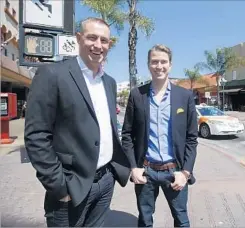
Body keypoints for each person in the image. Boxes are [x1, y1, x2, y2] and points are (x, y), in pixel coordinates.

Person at [24, 17, 130, 227]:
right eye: (92, 38)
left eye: (104, 40)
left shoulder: (109, 82)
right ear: (79, 38)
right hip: (71, 187)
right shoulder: (52, 74)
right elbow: (36, 136)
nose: (98, 45)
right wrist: (60, 187)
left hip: (106, 181)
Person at [122, 44, 198, 227]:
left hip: (175, 171)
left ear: (170, 65)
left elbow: (191, 138)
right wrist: (133, 168)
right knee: (145, 220)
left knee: (181, 220)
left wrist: (185, 173)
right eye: (154, 62)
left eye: (163, 62)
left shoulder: (184, 96)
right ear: (149, 65)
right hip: (145, 171)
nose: (159, 66)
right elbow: (126, 135)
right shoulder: (137, 95)